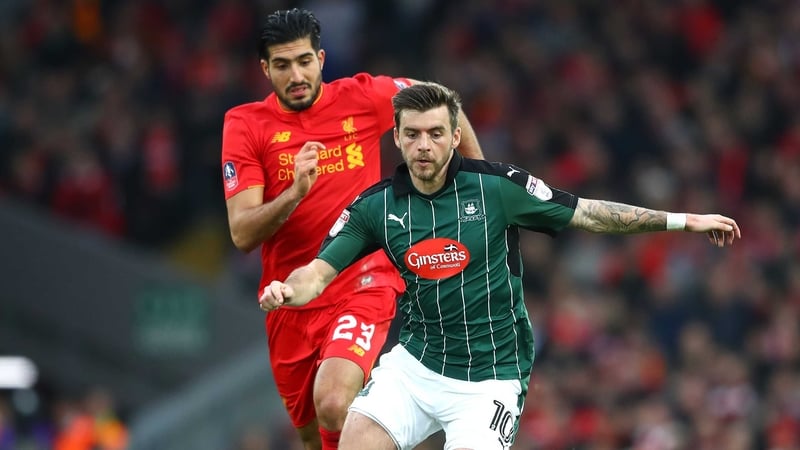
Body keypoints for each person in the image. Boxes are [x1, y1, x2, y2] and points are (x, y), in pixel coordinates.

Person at [257, 82, 742, 450]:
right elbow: (317, 272)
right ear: (397, 139)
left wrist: (684, 220)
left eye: (435, 134)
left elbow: (589, 213)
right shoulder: (375, 207)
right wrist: (287, 290)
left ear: (454, 137)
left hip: (489, 378)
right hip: (416, 366)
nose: (424, 145)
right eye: (413, 134)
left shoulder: (498, 188)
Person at [220, 9, 483, 450]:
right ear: (265, 69)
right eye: (282, 65)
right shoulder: (246, 125)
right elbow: (243, 233)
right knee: (314, 437)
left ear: (321, 58)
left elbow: (442, 101)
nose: (296, 75)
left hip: (362, 281)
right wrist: (294, 193)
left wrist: (481, 190)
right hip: (290, 298)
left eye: (305, 61)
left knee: (333, 400)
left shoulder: (362, 97)